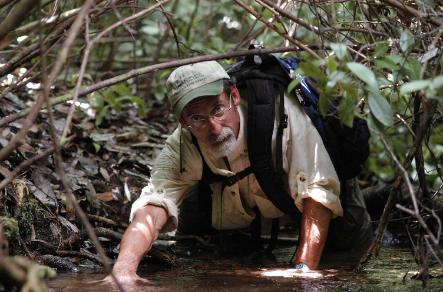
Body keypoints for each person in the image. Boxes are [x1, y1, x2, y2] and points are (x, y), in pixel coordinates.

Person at [107, 60, 373, 285]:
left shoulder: (279, 115)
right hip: (246, 211)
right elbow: (153, 207)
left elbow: (318, 191)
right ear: (183, 122)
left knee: (346, 258)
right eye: (197, 119)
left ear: (234, 96)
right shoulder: (183, 142)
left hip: (326, 203)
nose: (213, 127)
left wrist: (302, 273)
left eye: (217, 110)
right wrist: (123, 270)